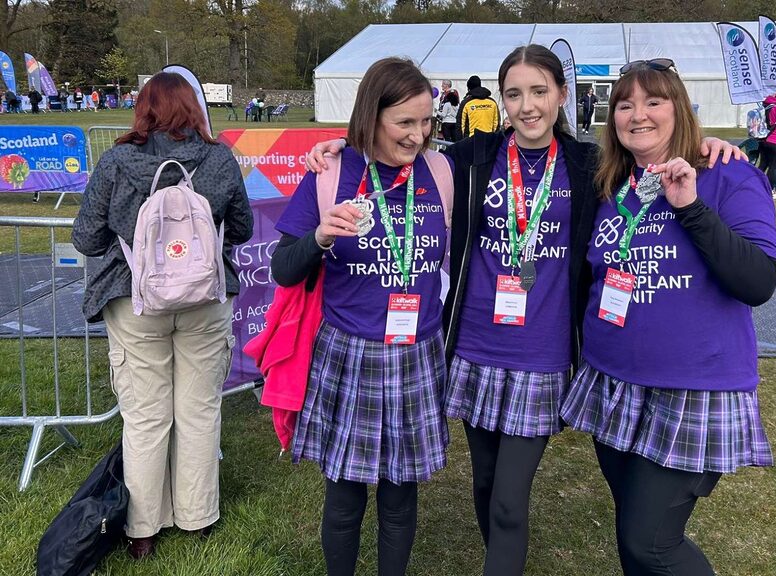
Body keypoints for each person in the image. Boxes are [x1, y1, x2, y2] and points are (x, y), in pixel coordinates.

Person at [304, 47, 742, 576]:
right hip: (475, 349)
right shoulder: (470, 158)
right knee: (486, 488)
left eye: (539, 91)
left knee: (510, 500)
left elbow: (652, 156)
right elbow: (401, 150)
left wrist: (710, 145)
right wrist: (339, 146)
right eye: (514, 93)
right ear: (500, 99)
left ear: (561, 94)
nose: (527, 106)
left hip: (543, 353)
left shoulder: (590, 165)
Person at [560, 58, 776, 576]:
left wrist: (691, 207)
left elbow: (759, 282)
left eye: (653, 101)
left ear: (678, 108)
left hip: (691, 388)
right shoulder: (612, 183)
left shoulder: (726, 173)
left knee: (651, 543)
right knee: (633, 534)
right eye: (625, 104)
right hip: (613, 382)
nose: (638, 115)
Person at [272, 57, 453, 576]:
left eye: (426, 121)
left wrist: (703, 148)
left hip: (418, 352)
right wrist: (320, 237)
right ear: (372, 116)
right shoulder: (330, 171)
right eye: (405, 122)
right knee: (346, 495)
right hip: (351, 351)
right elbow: (285, 269)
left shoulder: (439, 171)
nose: (418, 135)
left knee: (400, 495)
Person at [70, 72, 254, 560]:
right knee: (198, 412)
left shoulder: (115, 162)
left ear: (143, 109)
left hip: (135, 302)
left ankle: (144, 529)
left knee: (146, 418)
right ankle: (197, 518)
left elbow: (86, 238)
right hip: (205, 301)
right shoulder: (219, 159)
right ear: (194, 108)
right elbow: (242, 227)